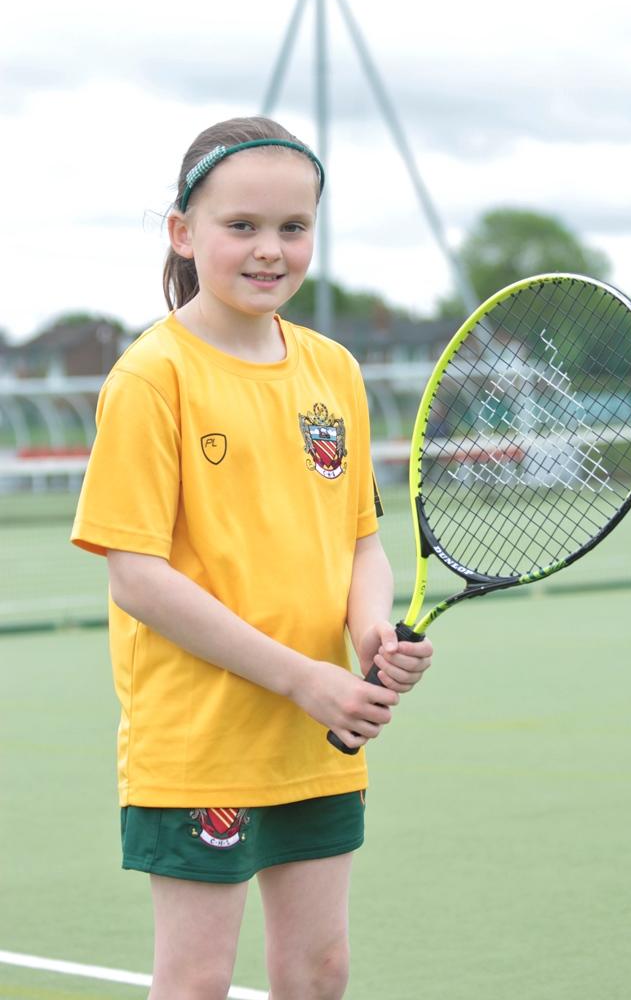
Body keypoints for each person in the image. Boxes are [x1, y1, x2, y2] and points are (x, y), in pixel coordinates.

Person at [71, 115, 433, 1000]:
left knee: (319, 970)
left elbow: (358, 540)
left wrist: (369, 627)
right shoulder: (152, 377)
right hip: (201, 742)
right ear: (183, 234)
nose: (269, 250)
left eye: (292, 228)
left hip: (315, 734)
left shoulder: (333, 370)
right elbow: (138, 578)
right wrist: (298, 676)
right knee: (195, 982)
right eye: (241, 227)